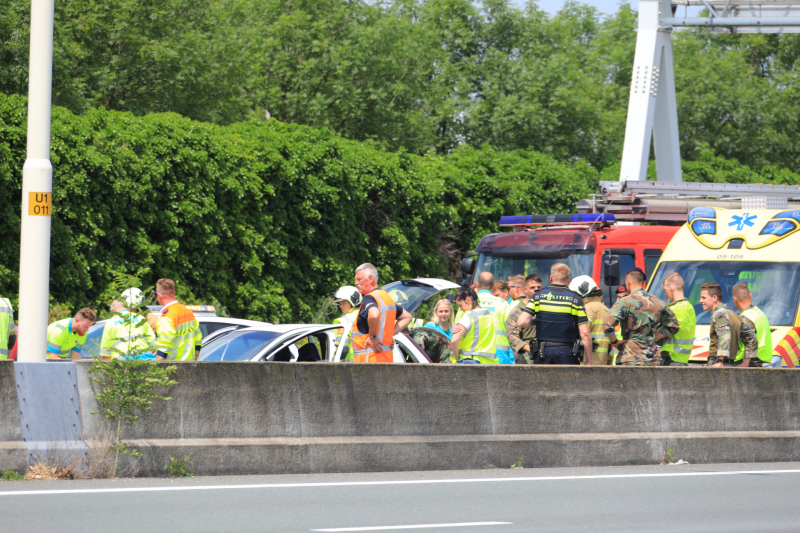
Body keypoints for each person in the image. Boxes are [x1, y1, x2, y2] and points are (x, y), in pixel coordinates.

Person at [517, 264, 593, 365]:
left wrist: (538, 320)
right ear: (568, 279)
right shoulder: (576, 299)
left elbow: (522, 322)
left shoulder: (538, 295)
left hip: (542, 352)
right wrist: (589, 360)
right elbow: (585, 333)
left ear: (551, 277)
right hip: (567, 353)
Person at [603, 268, 679, 366]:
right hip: (652, 359)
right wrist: (652, 338)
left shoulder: (624, 302)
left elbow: (606, 325)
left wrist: (615, 342)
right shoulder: (659, 302)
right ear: (643, 282)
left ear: (628, 281)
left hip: (629, 358)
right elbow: (673, 326)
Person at [351, 263, 412, 363]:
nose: (355, 282)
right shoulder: (386, 297)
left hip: (370, 361)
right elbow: (407, 317)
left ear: (370, 279)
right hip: (386, 360)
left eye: (359, 279)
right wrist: (388, 335)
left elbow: (374, 315)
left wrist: (373, 337)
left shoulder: (369, 297)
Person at [99, 288, 156, 360]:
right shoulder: (140, 318)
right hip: (145, 360)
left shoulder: (110, 323)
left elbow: (106, 352)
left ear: (114, 310)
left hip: (123, 363)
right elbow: (153, 343)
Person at [154, 278, 202, 361]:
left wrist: (156, 370)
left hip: (171, 369)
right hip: (189, 368)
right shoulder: (188, 313)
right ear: (174, 293)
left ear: (159, 295)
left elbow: (163, 348)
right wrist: (194, 362)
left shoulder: (166, 317)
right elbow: (198, 341)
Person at [450, 286, 499, 364]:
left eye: (460, 305)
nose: (461, 309)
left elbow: (454, 341)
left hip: (469, 360)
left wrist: (457, 359)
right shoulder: (487, 314)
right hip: (487, 362)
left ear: (468, 300)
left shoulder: (468, 316)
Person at [569, 275, 611, 365]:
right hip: (602, 360)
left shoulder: (587, 309)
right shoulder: (604, 308)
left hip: (586, 361)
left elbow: (582, 333)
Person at [475, 272, 513, 364]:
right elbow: (511, 331)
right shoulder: (503, 304)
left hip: (474, 354)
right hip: (500, 354)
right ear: (493, 286)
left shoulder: (468, 303)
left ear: (477, 284)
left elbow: (456, 331)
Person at [659, 273, 696, 366]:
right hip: (682, 359)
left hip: (672, 359)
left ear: (671, 287)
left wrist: (646, 339)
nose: (665, 293)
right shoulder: (690, 307)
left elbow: (666, 331)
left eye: (665, 290)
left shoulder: (675, 309)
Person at [732, 282, 771, 367]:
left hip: (748, 365)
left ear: (735, 299)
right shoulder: (760, 313)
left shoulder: (745, 318)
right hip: (761, 362)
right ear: (750, 295)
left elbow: (749, 341)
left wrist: (744, 363)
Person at [506, 273, 542, 364]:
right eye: (532, 288)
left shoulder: (546, 307)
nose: (536, 290)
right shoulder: (517, 311)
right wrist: (529, 348)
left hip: (546, 356)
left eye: (539, 287)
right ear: (525, 289)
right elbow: (511, 335)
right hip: (527, 358)